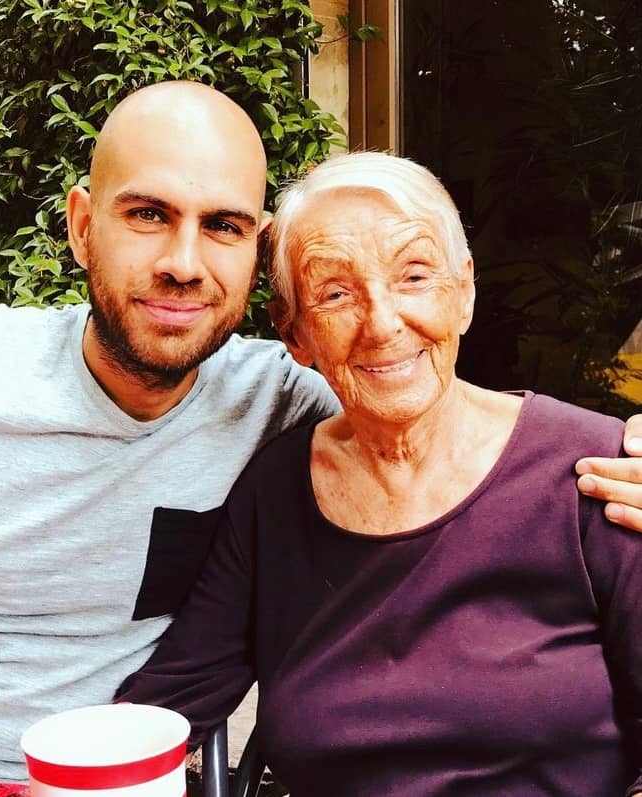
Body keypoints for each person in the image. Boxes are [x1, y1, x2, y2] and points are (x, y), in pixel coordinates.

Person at [0, 81, 640, 780]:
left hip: (111, 779)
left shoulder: (295, 408)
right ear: (82, 225)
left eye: (223, 225)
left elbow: (444, 420)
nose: (184, 263)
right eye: (149, 215)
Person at [117, 151, 642, 796]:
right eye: (335, 293)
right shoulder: (275, 492)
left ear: (465, 291)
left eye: (415, 276)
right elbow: (166, 708)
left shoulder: (598, 473)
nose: (384, 324)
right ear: (297, 336)